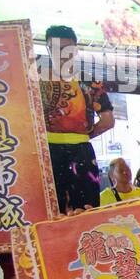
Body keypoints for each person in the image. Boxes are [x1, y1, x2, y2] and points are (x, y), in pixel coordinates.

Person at [40, 25, 114, 213]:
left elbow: (108, 120)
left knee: (85, 209)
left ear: (75, 49)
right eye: (55, 49)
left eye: (66, 49)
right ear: (48, 49)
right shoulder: (36, 81)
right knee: (52, 211)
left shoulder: (91, 82)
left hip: (78, 153)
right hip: (49, 154)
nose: (61, 54)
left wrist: (82, 136)